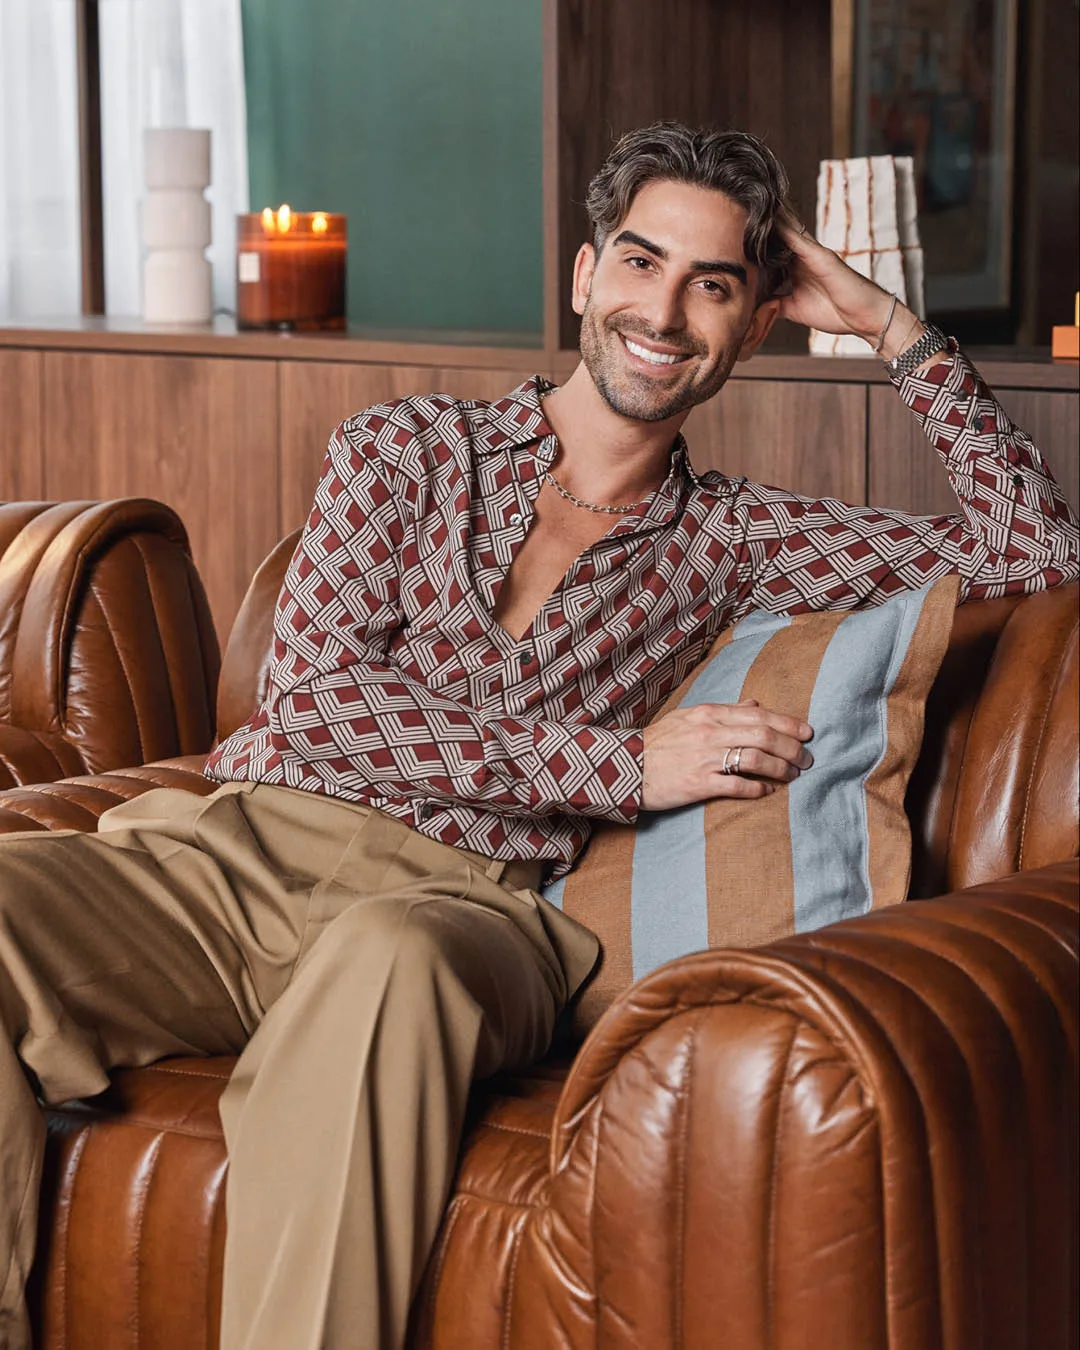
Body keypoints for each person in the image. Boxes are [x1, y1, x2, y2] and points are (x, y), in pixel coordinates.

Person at [0, 122, 1076, 1350]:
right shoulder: (404, 448)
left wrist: (891, 326)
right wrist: (620, 767)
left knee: (386, 959)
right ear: (583, 276)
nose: (662, 313)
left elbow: (1036, 556)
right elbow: (315, 700)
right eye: (639, 262)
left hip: (469, 906)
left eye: (711, 285)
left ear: (753, 324)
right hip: (230, 858)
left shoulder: (736, 539)